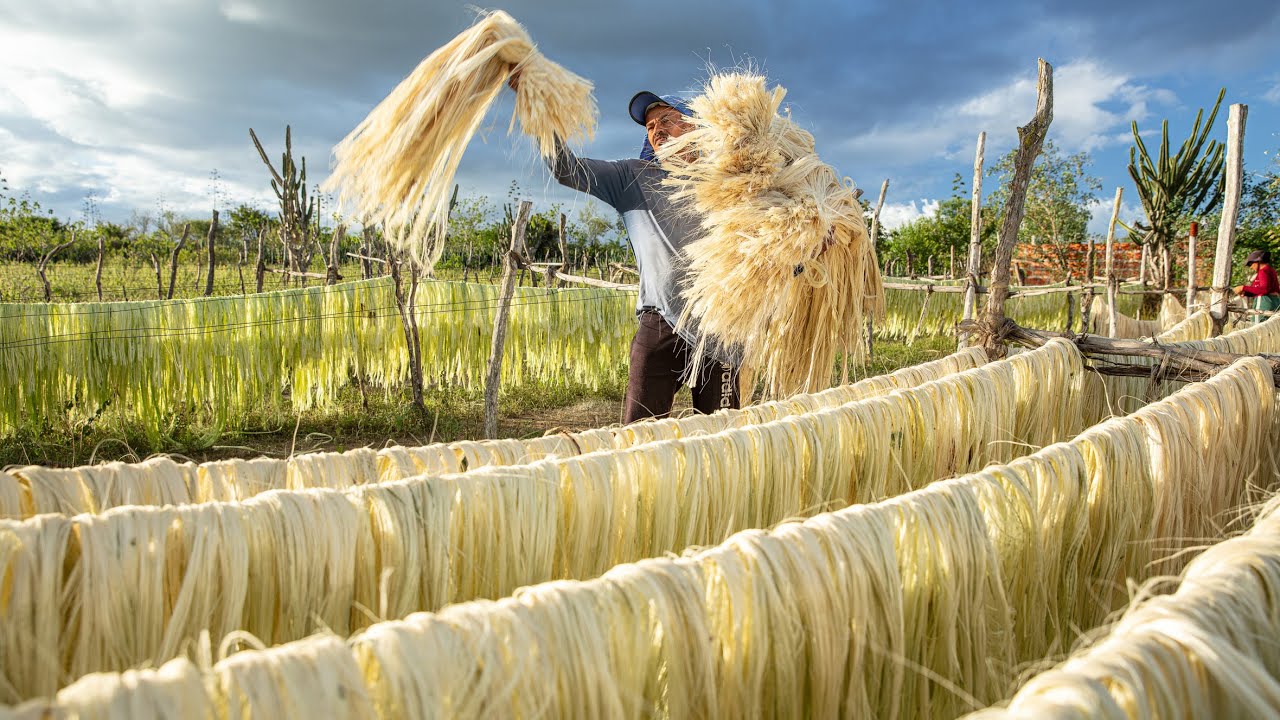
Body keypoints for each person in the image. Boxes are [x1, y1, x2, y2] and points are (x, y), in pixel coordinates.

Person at [510, 77, 740, 422]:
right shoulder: (632, 177)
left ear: (695, 127)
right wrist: (538, 109)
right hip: (662, 323)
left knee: (726, 436)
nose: (656, 129)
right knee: (640, 437)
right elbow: (564, 168)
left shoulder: (730, 185)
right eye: (650, 126)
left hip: (721, 329)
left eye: (666, 120)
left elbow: (763, 251)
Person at [1233, 249, 1280, 321]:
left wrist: (1243, 288)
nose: (1250, 267)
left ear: (1257, 261)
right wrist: (1247, 293)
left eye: (1250, 264)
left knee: (1258, 325)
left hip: (1264, 302)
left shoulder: (1263, 272)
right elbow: (1262, 290)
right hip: (1274, 301)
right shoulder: (1270, 270)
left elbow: (1264, 290)